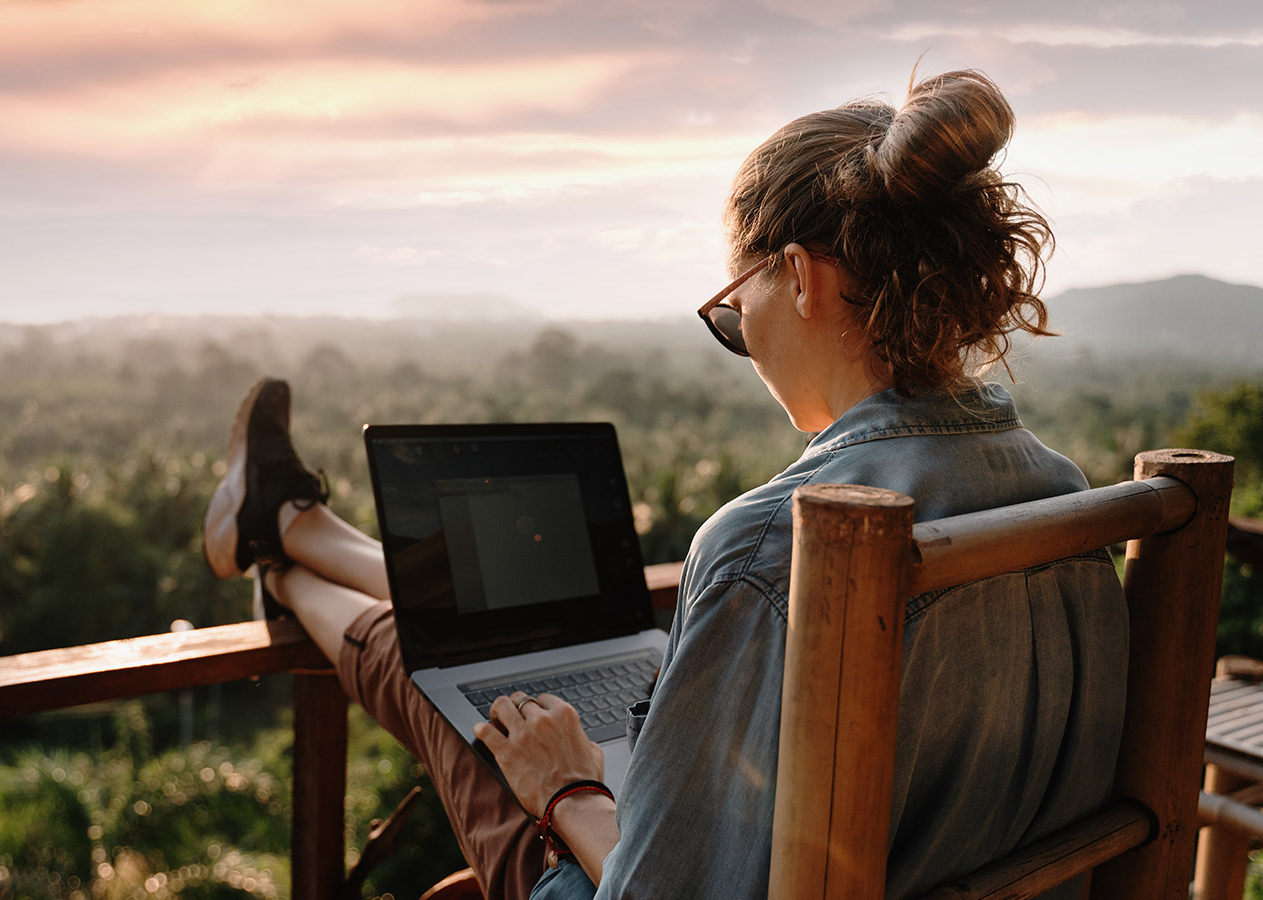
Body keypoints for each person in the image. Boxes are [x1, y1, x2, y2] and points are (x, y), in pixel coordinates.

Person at [202, 69, 1127, 900]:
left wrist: (568, 789)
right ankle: (291, 531)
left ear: (799, 278)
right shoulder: (1066, 496)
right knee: (471, 652)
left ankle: (281, 552)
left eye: (734, 310)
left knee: (442, 671)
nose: (743, 342)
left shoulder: (775, 547)